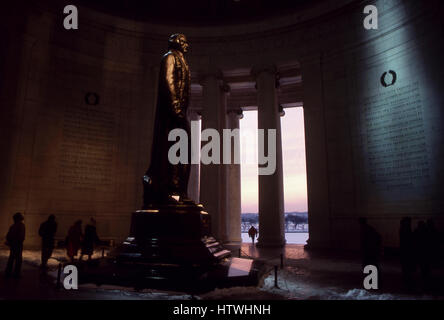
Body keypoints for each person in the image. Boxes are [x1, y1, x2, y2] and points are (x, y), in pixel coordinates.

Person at [5, 212, 26, 278]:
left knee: (11, 258)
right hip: (18, 245)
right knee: (18, 259)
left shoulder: (13, 226)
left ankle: (8, 272)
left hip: (13, 244)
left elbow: (8, 236)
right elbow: (21, 236)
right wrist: (19, 241)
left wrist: (10, 242)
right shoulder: (21, 225)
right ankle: (16, 273)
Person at [399, 217, 415, 285]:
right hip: (407, 251)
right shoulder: (406, 229)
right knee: (407, 267)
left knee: (406, 267)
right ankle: (407, 280)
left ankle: (406, 280)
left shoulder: (403, 229)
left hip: (405, 251)